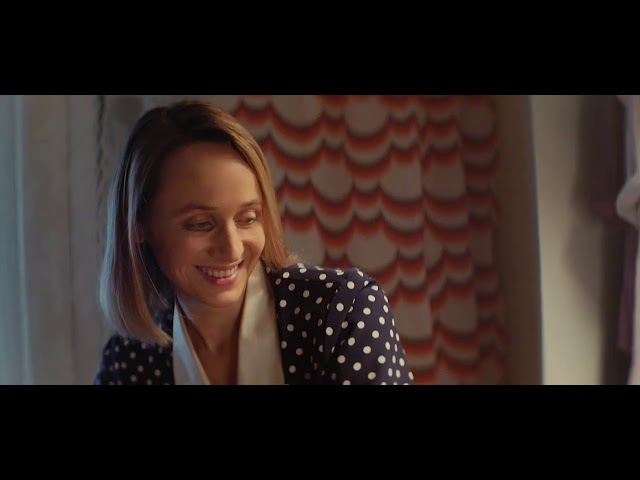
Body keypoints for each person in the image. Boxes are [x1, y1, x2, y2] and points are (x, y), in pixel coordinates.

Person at [94, 99, 415, 385]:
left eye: (247, 218)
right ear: (139, 227)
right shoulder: (131, 358)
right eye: (200, 224)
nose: (233, 249)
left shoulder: (343, 311)